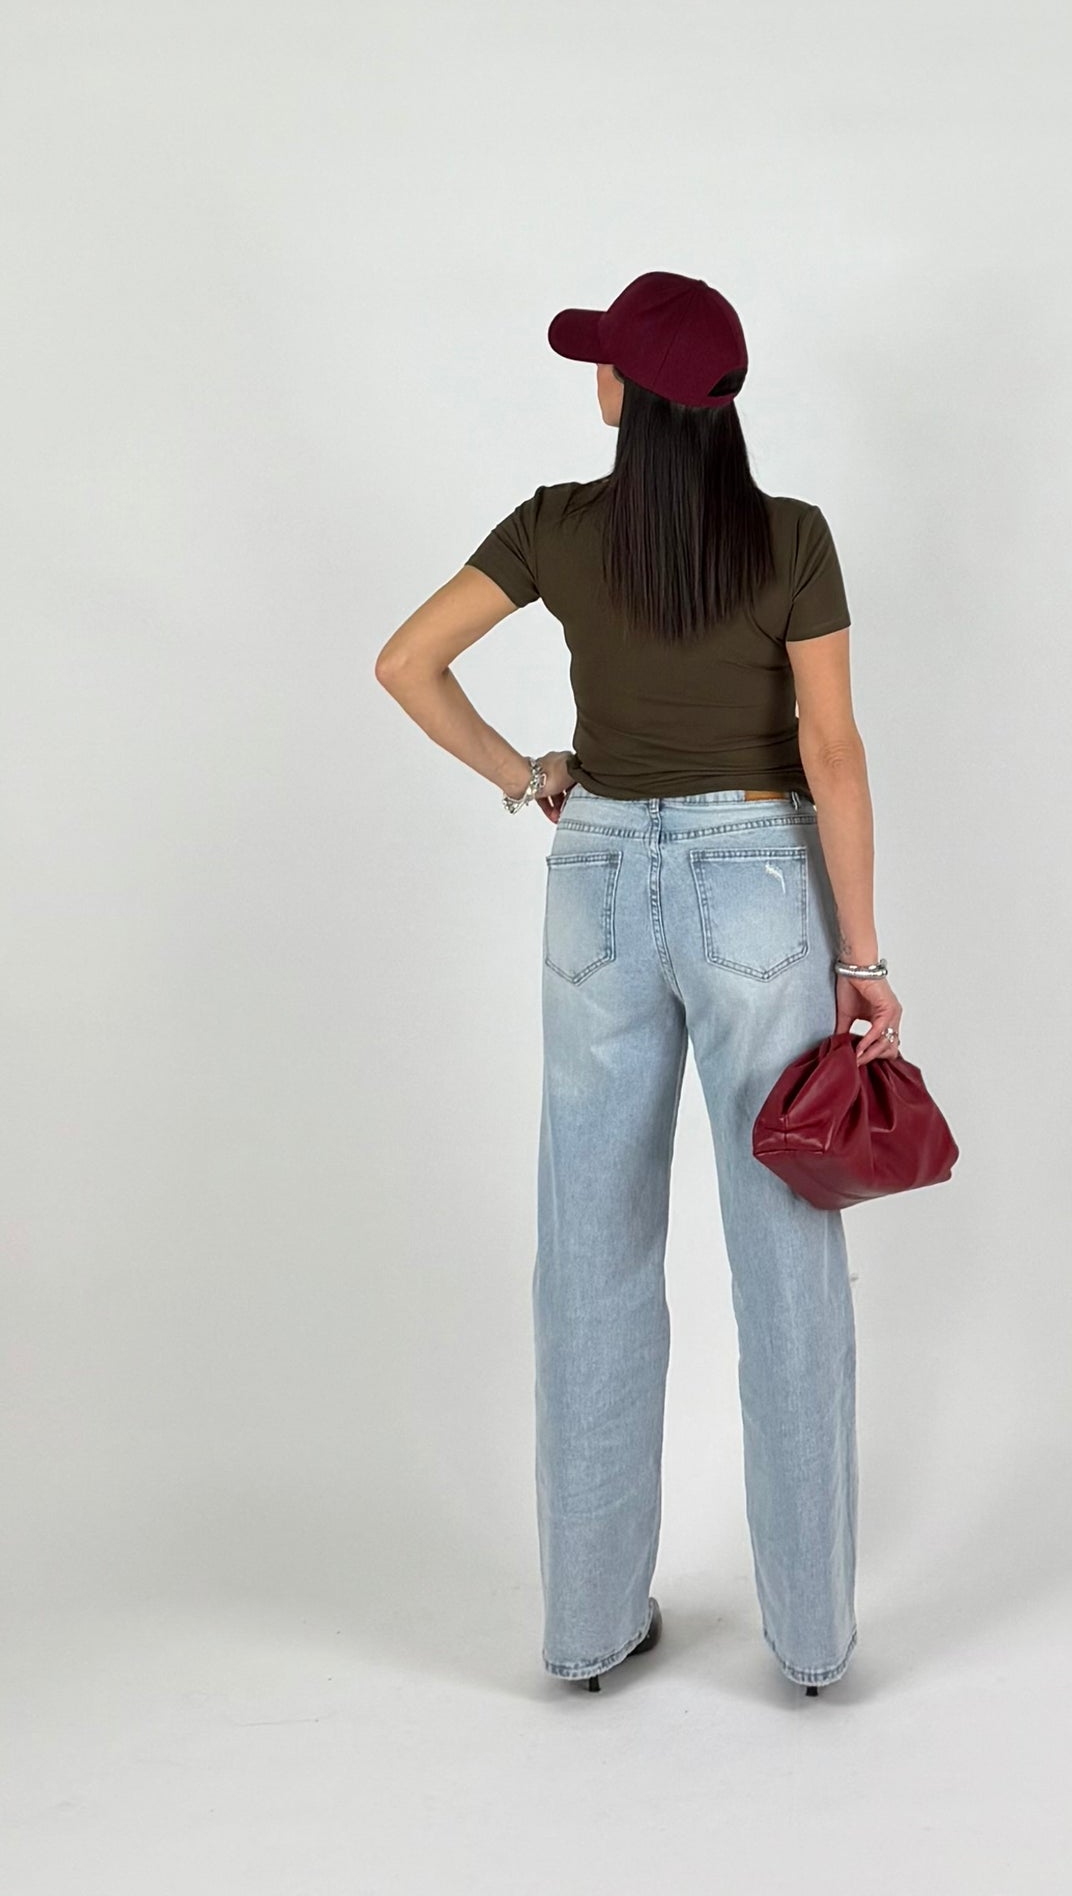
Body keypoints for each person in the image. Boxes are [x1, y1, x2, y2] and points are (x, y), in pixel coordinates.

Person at [375, 269, 902, 1699]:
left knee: (591, 1247)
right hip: (758, 883)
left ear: (629, 395)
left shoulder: (555, 525)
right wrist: (861, 959)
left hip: (595, 875)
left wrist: (525, 775)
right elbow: (834, 754)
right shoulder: (792, 538)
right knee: (786, 1244)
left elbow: (408, 662)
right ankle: (811, 1641)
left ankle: (587, 1630)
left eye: (601, 361)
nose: (591, 378)